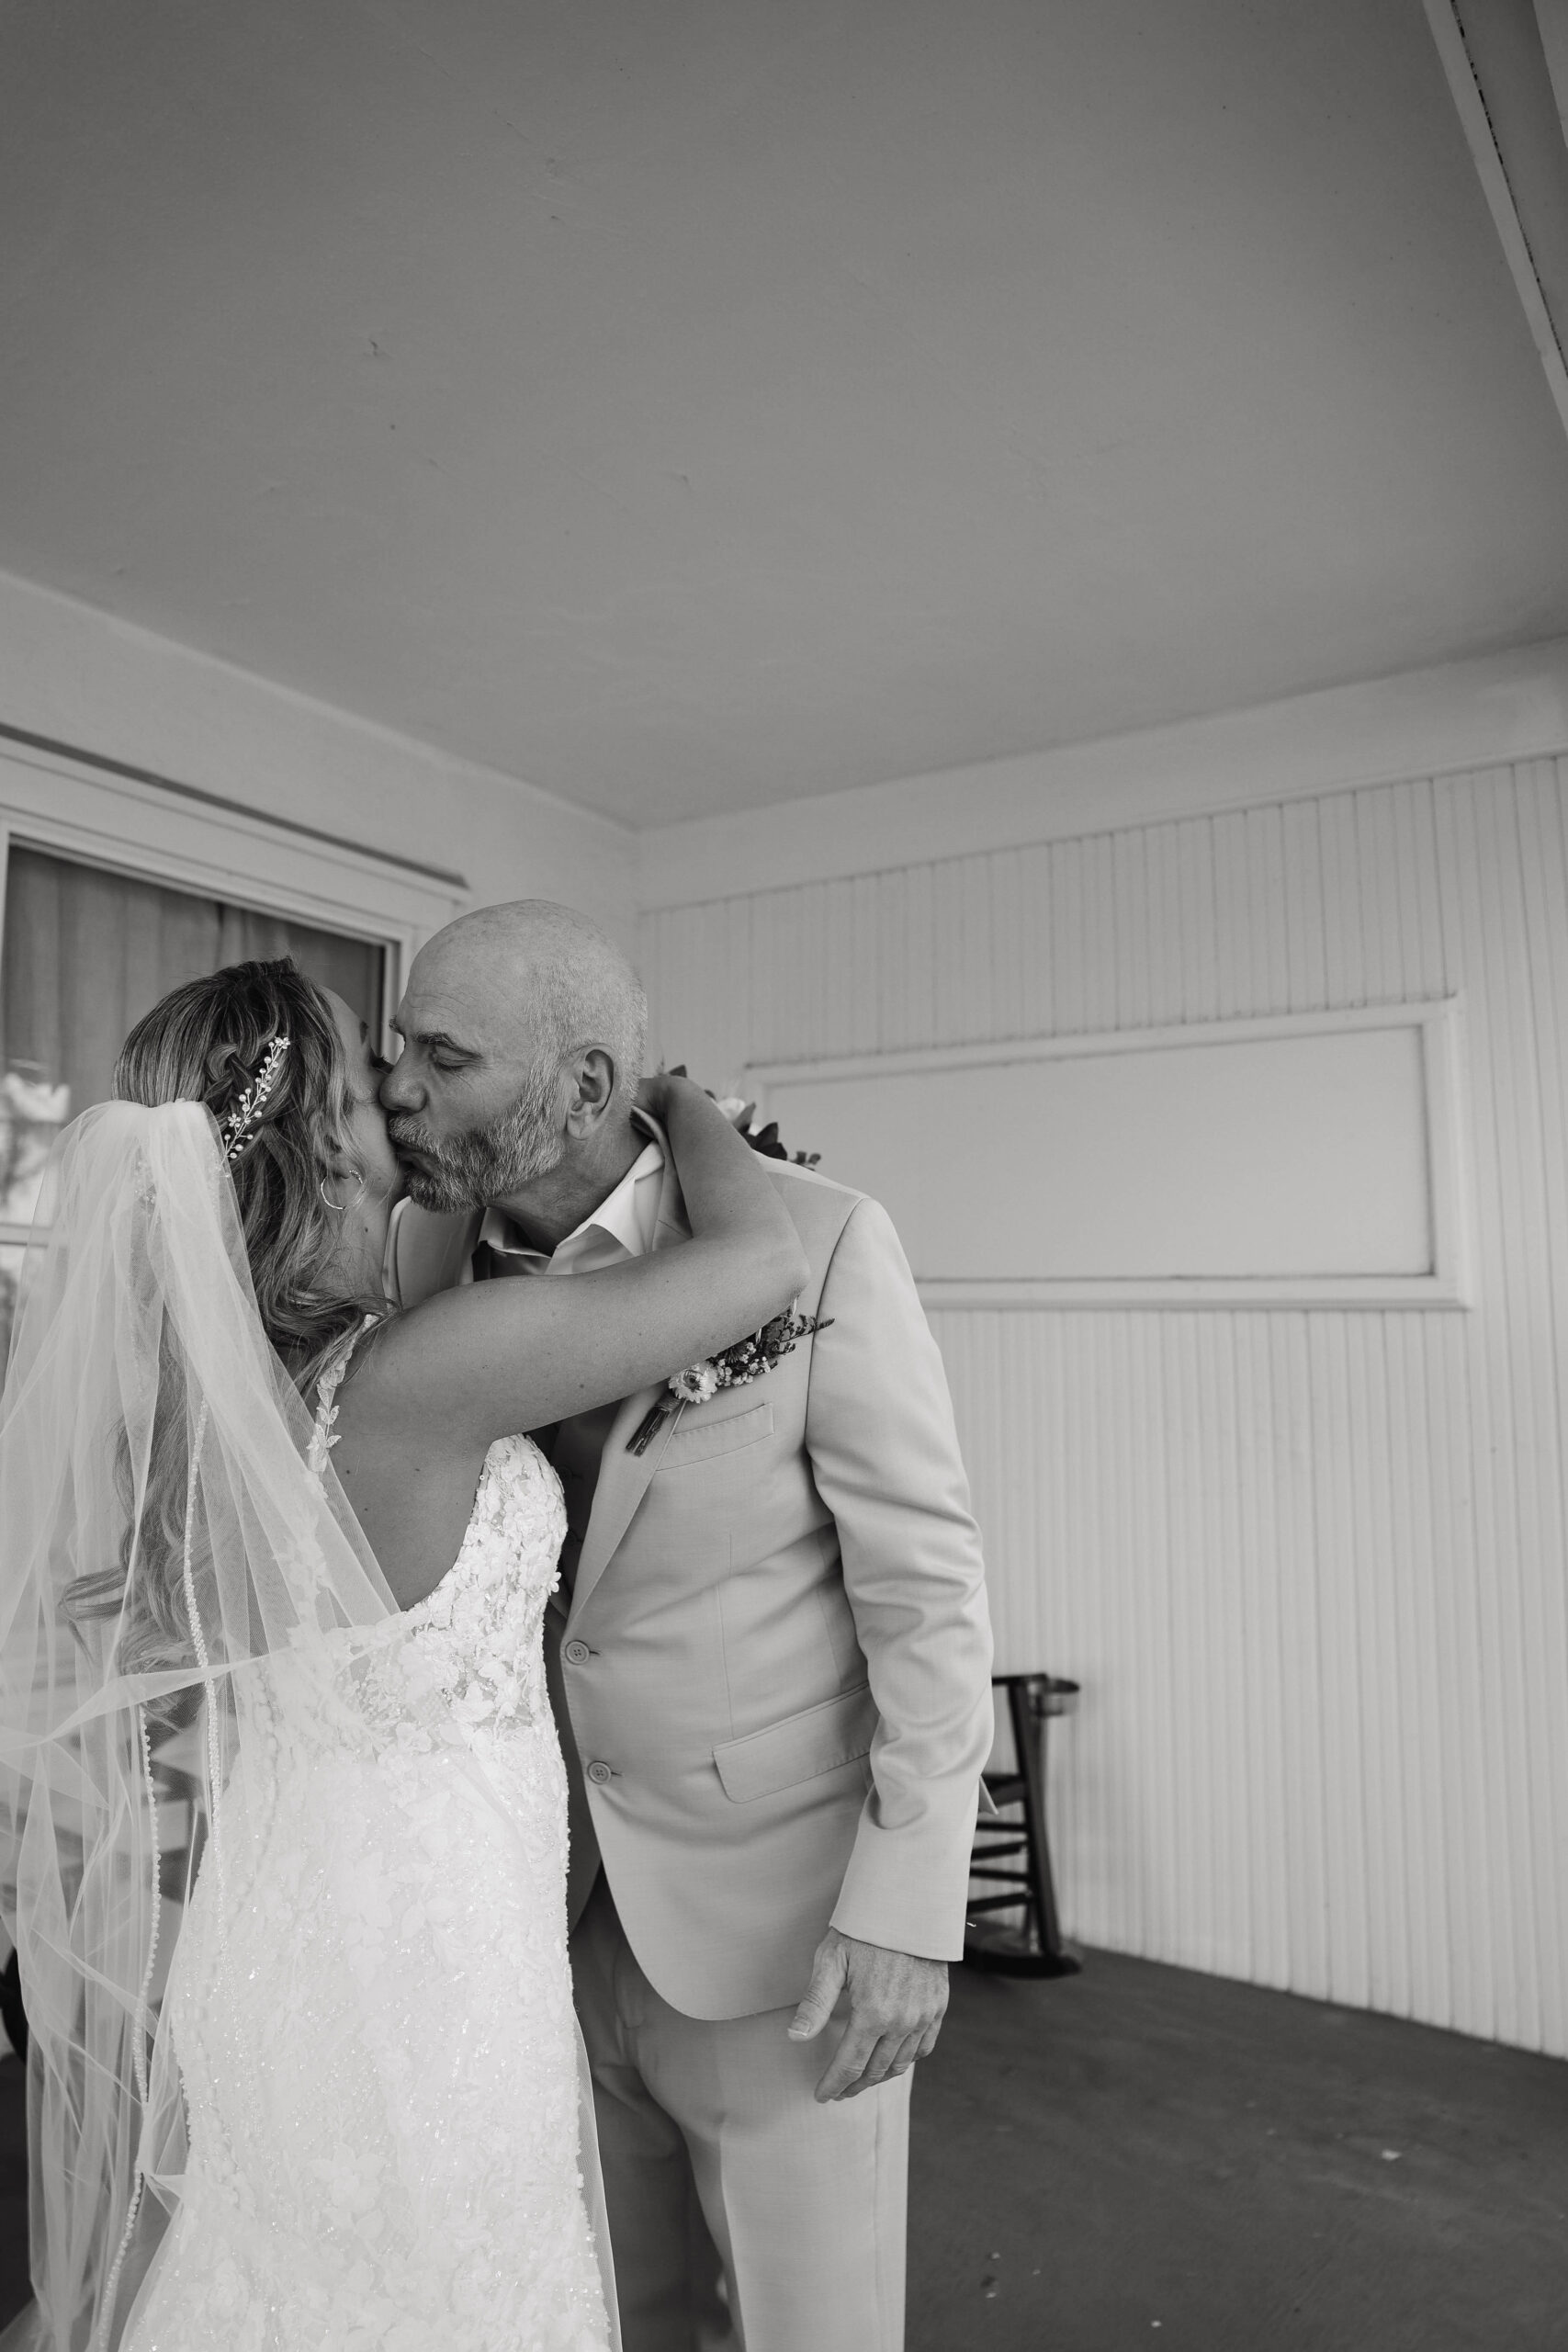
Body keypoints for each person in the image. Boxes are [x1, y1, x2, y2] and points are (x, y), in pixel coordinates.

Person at [0, 955, 805, 2352]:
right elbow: (763, 1266)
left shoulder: (211, 1402)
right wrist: (683, 1108)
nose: (394, 1085)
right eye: (365, 1070)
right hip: (417, 1969)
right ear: (319, 1137)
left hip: (283, 1933)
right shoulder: (416, 1383)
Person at [385, 900, 995, 2352]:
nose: (398, 1085)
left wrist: (909, 1908)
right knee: (606, 2312)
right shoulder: (413, 1262)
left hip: (774, 1931)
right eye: (398, 1045)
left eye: (445, 1057)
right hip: (521, 1917)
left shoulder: (822, 1245)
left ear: (586, 1090)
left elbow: (925, 1588)